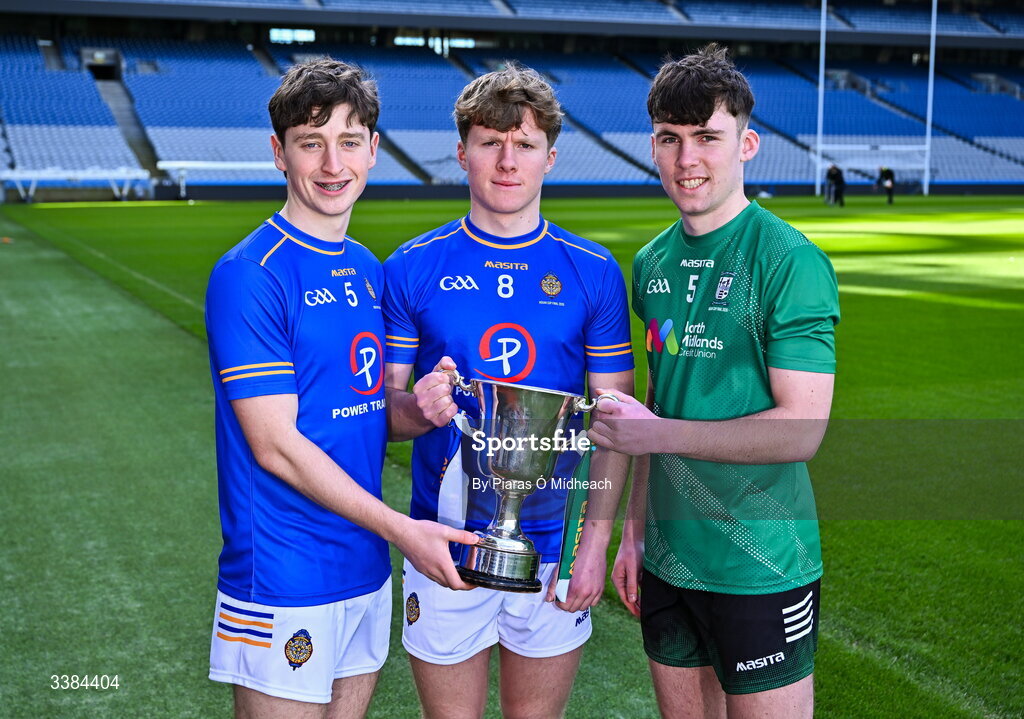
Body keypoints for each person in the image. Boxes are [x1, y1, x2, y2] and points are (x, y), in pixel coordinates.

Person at [204, 58, 477, 719]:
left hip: (363, 569)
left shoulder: (365, 268)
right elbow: (274, 445)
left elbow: (362, 413)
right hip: (282, 574)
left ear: (374, 150)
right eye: (311, 142)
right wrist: (403, 529)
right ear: (279, 152)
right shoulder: (251, 274)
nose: (333, 164)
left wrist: (420, 407)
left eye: (349, 141)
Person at [588, 44, 840, 719]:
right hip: (669, 560)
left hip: (761, 564)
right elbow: (660, 400)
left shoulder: (789, 261)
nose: (687, 158)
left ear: (747, 143)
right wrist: (635, 531)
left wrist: (656, 431)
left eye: (707, 137)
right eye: (670, 139)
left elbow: (802, 428)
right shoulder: (651, 262)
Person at [382, 63, 634, 719]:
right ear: (462, 150)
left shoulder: (594, 272)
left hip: (551, 550)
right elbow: (382, 412)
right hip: (442, 545)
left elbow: (615, 420)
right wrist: (417, 408)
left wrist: (595, 542)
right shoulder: (410, 266)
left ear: (551, 156)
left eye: (523, 144)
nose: (506, 159)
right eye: (490, 141)